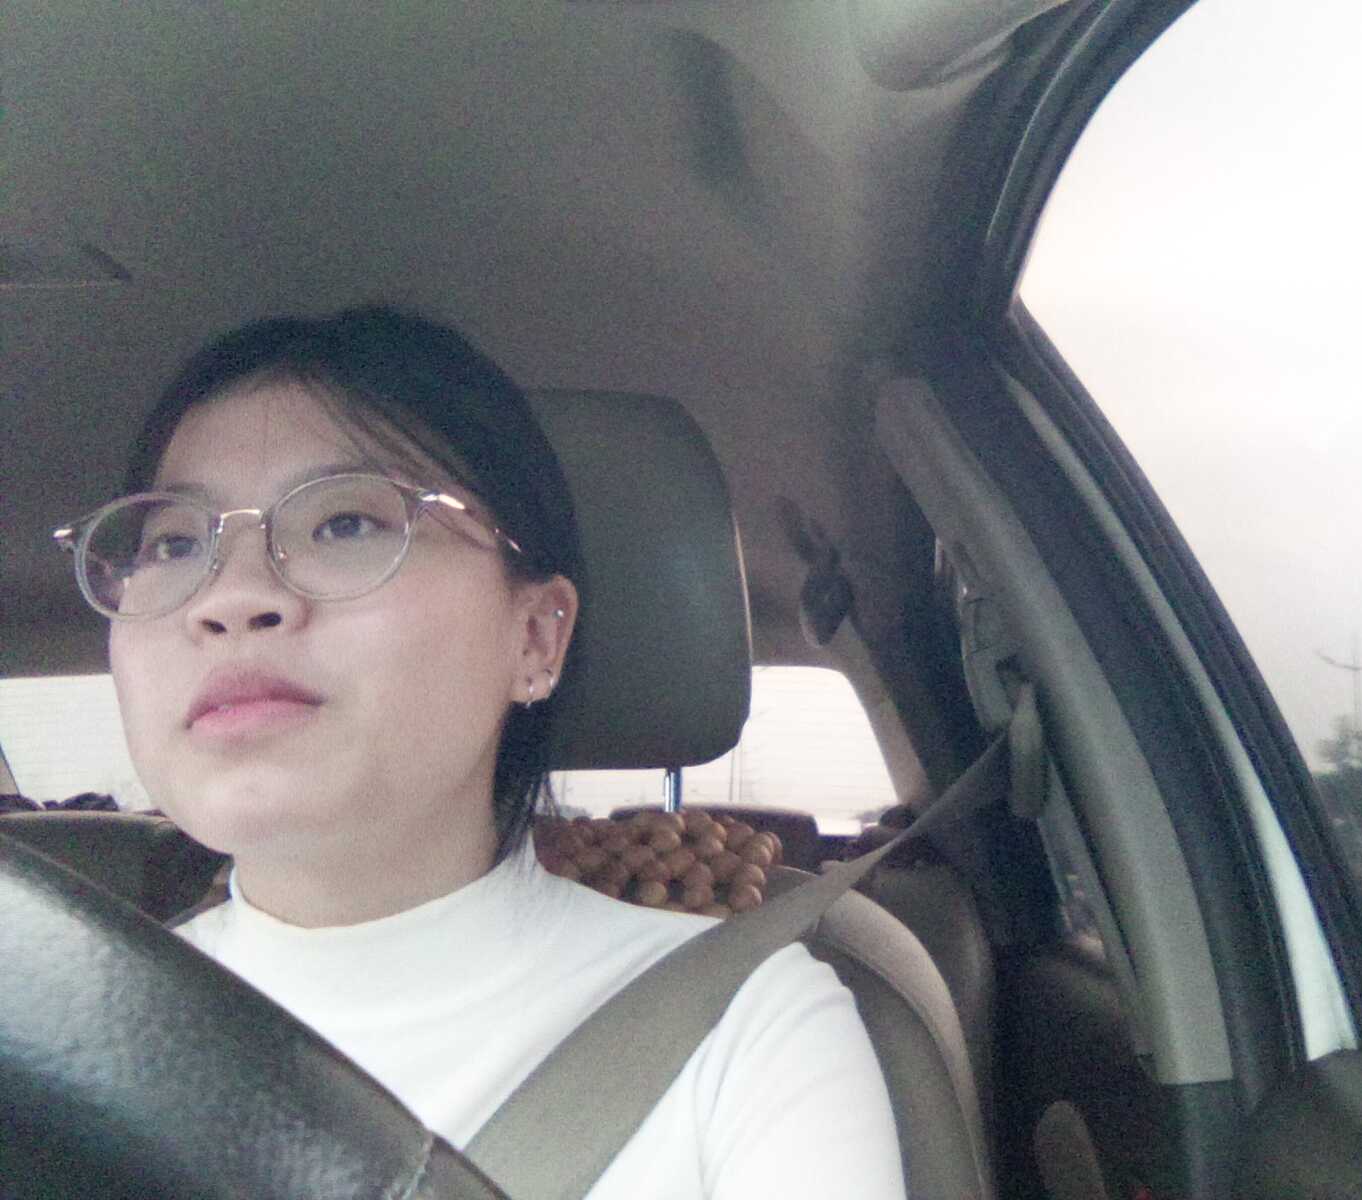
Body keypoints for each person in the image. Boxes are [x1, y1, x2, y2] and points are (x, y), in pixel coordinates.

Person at [58, 305, 905, 1197]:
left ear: (536, 637)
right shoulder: (45, 1042)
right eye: (174, 543)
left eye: (346, 524)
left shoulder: (743, 1032)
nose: (228, 597)